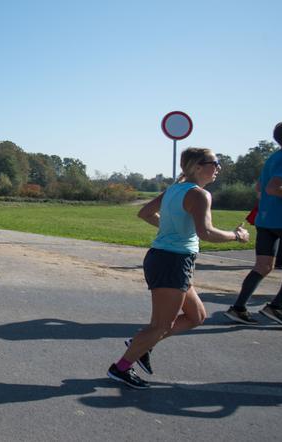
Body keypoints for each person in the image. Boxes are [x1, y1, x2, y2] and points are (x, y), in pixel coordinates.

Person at [106, 147, 249, 390]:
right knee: (160, 326)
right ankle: (120, 367)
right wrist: (236, 236)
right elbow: (206, 233)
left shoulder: (174, 189)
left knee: (197, 316)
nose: (218, 168)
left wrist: (171, 229)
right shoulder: (199, 195)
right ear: (197, 166)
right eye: (214, 163)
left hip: (170, 260)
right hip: (171, 262)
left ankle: (141, 344)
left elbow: (145, 213)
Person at [225, 121, 282, 326]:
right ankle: (276, 307)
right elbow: (272, 188)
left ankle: (239, 308)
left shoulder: (273, 158)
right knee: (264, 266)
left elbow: (259, 187)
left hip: (265, 219)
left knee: (263, 266)